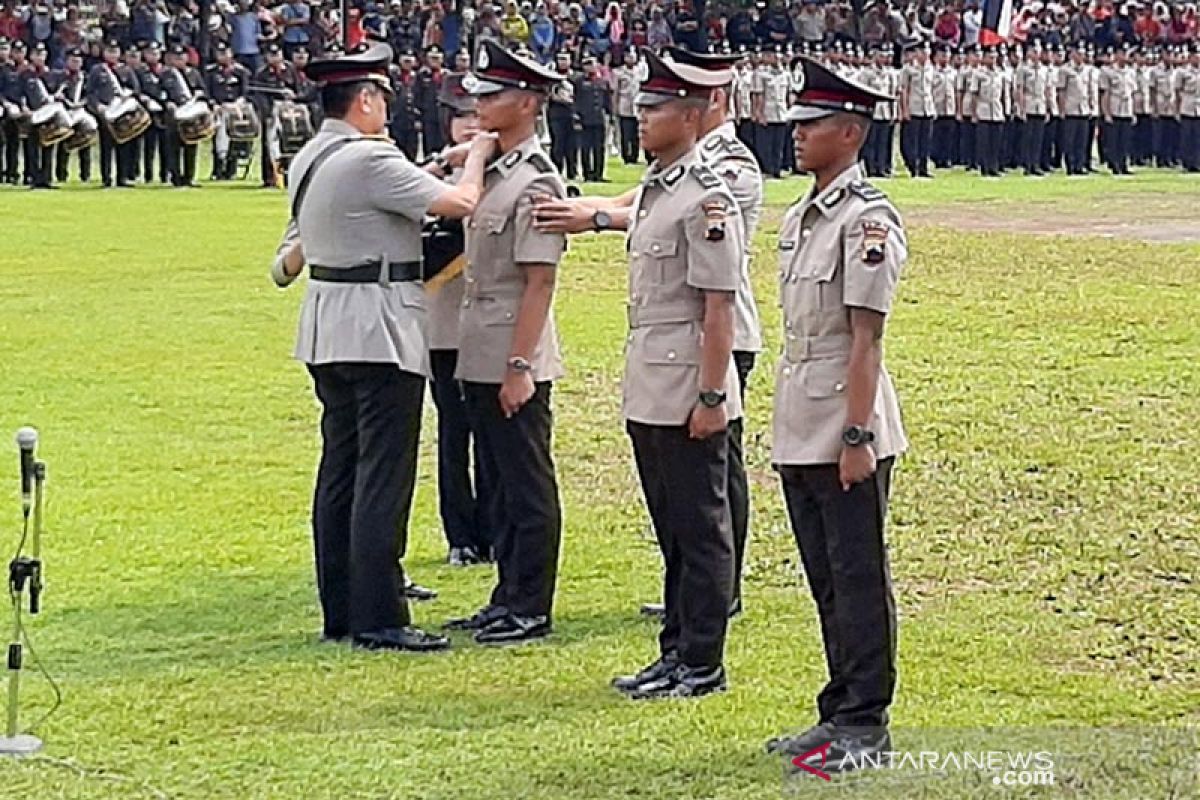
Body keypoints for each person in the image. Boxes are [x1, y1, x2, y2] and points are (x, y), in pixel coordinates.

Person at [269, 42, 495, 652]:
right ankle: (379, 614)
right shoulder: (369, 156)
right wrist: (476, 155)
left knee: (340, 467)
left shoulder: (312, 154)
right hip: (378, 325)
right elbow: (460, 202)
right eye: (381, 100)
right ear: (364, 100)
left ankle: (341, 606)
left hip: (328, 323)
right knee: (382, 474)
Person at [764, 56, 907, 772]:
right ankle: (838, 708)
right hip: (800, 416)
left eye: (811, 123)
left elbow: (865, 337)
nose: (797, 134)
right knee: (825, 577)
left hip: (847, 423)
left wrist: (858, 434)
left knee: (857, 576)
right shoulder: (801, 214)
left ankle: (867, 722)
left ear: (849, 132)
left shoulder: (867, 220)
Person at [606, 49, 744, 700]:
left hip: (690, 379)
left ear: (690, 117)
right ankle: (674, 650)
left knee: (701, 525)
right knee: (671, 526)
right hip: (651, 380)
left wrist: (713, 394)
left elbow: (718, 307)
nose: (642, 117)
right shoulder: (658, 189)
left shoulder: (705, 198)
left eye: (655, 108)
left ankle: (703, 662)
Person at [441, 39, 567, 646]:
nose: (480, 104)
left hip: (513, 349)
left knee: (525, 480)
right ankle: (505, 595)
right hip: (478, 345)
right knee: (494, 475)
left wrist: (520, 364)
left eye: (493, 95)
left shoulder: (537, 180)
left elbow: (539, 282)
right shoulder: (491, 169)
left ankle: (530, 602)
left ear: (526, 103)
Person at [426, 72, 496, 568]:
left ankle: (493, 529)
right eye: (462, 118)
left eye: (478, 116)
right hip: (444, 325)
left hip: (492, 326)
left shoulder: (506, 174)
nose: (471, 127)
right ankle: (461, 534)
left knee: (493, 437)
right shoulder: (427, 177)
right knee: (454, 434)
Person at [87, 39, 141, 189]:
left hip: (122, 112)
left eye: (115, 51)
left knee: (123, 145)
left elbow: (136, 89)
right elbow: (90, 92)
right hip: (105, 111)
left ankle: (122, 177)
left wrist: (128, 94)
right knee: (106, 146)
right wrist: (98, 106)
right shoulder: (97, 70)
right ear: (104, 53)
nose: (112, 54)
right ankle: (106, 177)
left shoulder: (126, 70)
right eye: (109, 51)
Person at [162, 43, 206, 188]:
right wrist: (167, 102)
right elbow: (161, 92)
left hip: (191, 114)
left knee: (191, 146)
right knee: (173, 147)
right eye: (176, 57)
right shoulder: (166, 74)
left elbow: (202, 91)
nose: (179, 59)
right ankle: (175, 177)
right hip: (174, 115)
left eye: (181, 56)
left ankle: (189, 177)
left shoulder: (194, 73)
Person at [206, 42, 252, 181]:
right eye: (220, 53)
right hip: (219, 108)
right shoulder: (211, 72)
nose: (223, 56)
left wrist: (237, 104)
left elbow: (245, 92)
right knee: (218, 137)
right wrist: (214, 104)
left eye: (225, 52)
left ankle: (231, 168)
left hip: (236, 108)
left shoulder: (240, 71)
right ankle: (218, 168)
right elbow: (207, 91)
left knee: (235, 137)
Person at [55, 47, 91, 184]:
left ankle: (85, 174)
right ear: (66, 61)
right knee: (64, 141)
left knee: (85, 141)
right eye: (72, 60)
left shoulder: (86, 77)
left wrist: (82, 103)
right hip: (65, 111)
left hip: (81, 111)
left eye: (78, 60)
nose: (75, 63)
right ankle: (61, 174)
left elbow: (91, 94)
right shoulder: (60, 76)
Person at [135, 42, 170, 185]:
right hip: (148, 112)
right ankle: (148, 175)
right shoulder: (140, 71)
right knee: (148, 146)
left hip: (165, 112)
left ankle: (165, 174)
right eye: (150, 53)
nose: (153, 56)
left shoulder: (167, 71)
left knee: (166, 146)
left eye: (156, 53)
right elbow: (137, 90)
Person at [898, 41, 934, 178]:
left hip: (927, 107)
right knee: (911, 140)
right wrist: (905, 109)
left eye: (927, 51)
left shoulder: (930, 68)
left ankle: (924, 168)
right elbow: (904, 90)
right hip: (914, 107)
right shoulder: (908, 69)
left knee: (925, 141)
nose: (925, 54)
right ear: (916, 53)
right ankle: (913, 167)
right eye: (922, 51)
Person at [573, 55, 609, 181]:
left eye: (592, 64)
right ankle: (587, 173)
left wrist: (609, 114)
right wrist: (576, 116)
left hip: (599, 118)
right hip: (585, 119)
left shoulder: (602, 81)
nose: (590, 67)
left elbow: (606, 99)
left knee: (599, 148)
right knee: (585, 148)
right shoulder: (579, 81)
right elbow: (575, 99)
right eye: (587, 64)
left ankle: (598, 174)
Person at [611, 48, 640, 165]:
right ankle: (626, 156)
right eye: (629, 56)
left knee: (636, 134)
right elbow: (616, 91)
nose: (631, 59)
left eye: (633, 56)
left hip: (637, 106)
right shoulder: (618, 73)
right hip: (625, 106)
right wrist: (615, 108)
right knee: (626, 134)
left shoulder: (640, 71)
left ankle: (635, 155)